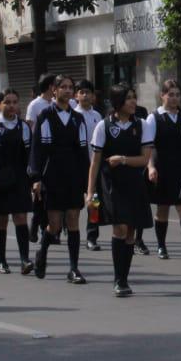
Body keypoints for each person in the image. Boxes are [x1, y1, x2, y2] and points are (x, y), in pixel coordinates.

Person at [86, 83, 155, 297]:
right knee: (120, 229)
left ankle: (124, 278)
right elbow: (95, 163)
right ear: (118, 103)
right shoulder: (103, 126)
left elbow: (144, 159)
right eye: (128, 98)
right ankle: (118, 279)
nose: (133, 102)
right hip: (111, 185)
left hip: (134, 183)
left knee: (131, 232)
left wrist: (123, 160)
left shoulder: (143, 125)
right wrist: (90, 193)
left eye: (134, 97)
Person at [29, 75, 88, 284]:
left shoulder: (77, 118)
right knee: (54, 224)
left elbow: (83, 152)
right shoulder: (45, 115)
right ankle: (42, 252)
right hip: (52, 174)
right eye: (63, 87)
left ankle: (73, 268)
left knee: (73, 218)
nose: (67, 90)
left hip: (72, 174)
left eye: (71, 87)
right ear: (54, 90)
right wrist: (36, 178)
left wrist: (87, 182)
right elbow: (38, 149)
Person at [0, 89, 33, 275]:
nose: (11, 106)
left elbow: (30, 155)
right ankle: (2, 261)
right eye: (7, 102)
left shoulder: (24, 127)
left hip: (19, 179)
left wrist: (33, 179)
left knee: (20, 218)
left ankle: (25, 259)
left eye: (15, 102)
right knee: (1, 221)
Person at [147, 79, 181, 260]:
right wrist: (151, 167)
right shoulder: (154, 118)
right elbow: (149, 146)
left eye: (177, 94)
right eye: (171, 94)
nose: (175, 98)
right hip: (162, 168)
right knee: (163, 209)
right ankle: (161, 245)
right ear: (162, 95)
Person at [26, 73, 58, 246]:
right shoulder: (35, 105)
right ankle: (36, 224)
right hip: (39, 155)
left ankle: (51, 228)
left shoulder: (55, 104)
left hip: (54, 155)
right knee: (39, 194)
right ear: (49, 86)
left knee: (51, 195)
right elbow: (30, 129)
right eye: (55, 85)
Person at [75, 80, 105, 251]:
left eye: (88, 92)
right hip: (77, 166)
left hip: (94, 166)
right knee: (73, 204)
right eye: (81, 92)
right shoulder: (72, 114)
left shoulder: (97, 116)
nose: (85, 95)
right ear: (76, 95)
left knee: (94, 203)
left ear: (93, 96)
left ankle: (92, 236)